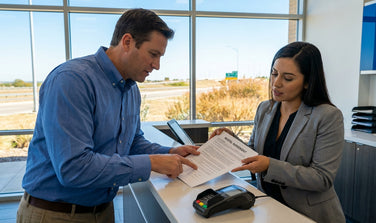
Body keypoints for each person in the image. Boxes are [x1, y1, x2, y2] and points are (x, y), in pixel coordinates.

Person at [17, 8, 200, 223]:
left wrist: (170, 152)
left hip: (103, 211)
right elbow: (73, 168)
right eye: (153, 54)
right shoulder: (72, 80)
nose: (157, 66)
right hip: (56, 214)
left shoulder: (131, 89)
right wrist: (151, 163)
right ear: (127, 41)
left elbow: (131, 143)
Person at [211, 42, 345, 223]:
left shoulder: (327, 116)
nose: (276, 83)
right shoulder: (265, 108)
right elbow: (253, 152)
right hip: (270, 207)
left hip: (308, 214)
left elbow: (322, 178)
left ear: (307, 82)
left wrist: (269, 166)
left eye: (288, 78)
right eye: (274, 74)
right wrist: (231, 141)